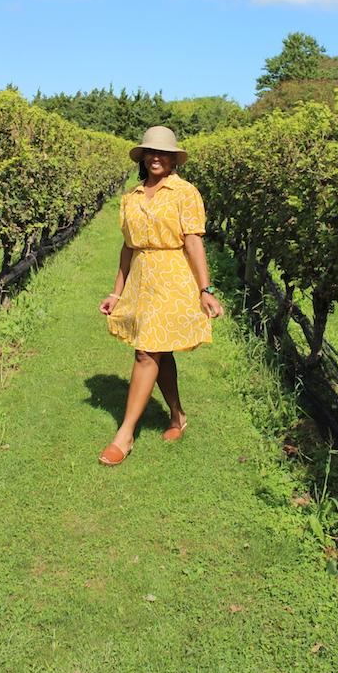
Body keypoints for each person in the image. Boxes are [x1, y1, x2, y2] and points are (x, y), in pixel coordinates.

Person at [98, 125, 224, 465]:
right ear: (143, 158)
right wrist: (116, 292)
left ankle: (125, 435)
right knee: (159, 350)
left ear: (173, 159)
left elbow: (194, 242)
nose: (157, 157)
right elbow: (128, 248)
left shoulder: (185, 193)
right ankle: (177, 415)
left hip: (173, 278)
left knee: (145, 352)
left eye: (164, 153)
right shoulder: (131, 198)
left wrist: (205, 288)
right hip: (141, 279)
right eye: (151, 152)